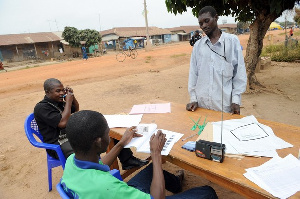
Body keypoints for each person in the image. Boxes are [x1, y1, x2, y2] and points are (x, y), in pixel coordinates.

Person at [61, 110, 218, 199]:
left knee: (150, 171)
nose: (110, 136)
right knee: (207, 193)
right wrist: (156, 153)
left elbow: (100, 165)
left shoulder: (71, 162)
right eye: (107, 133)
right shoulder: (108, 188)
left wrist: (121, 143)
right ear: (98, 141)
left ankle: (176, 183)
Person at [34, 78, 148, 170]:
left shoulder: (59, 101)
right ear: (47, 92)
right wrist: (67, 101)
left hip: (72, 134)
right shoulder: (42, 108)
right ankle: (95, 171)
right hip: (57, 142)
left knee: (104, 133)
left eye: (63, 90)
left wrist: (72, 97)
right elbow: (63, 123)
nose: (62, 93)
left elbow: (76, 109)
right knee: (86, 152)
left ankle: (127, 160)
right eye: (58, 91)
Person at [186, 6, 247, 114]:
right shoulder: (198, 46)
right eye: (201, 23)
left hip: (224, 108)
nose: (204, 26)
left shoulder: (232, 42)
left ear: (216, 18)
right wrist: (193, 99)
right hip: (202, 107)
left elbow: (239, 74)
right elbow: (193, 74)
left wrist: (235, 101)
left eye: (206, 21)